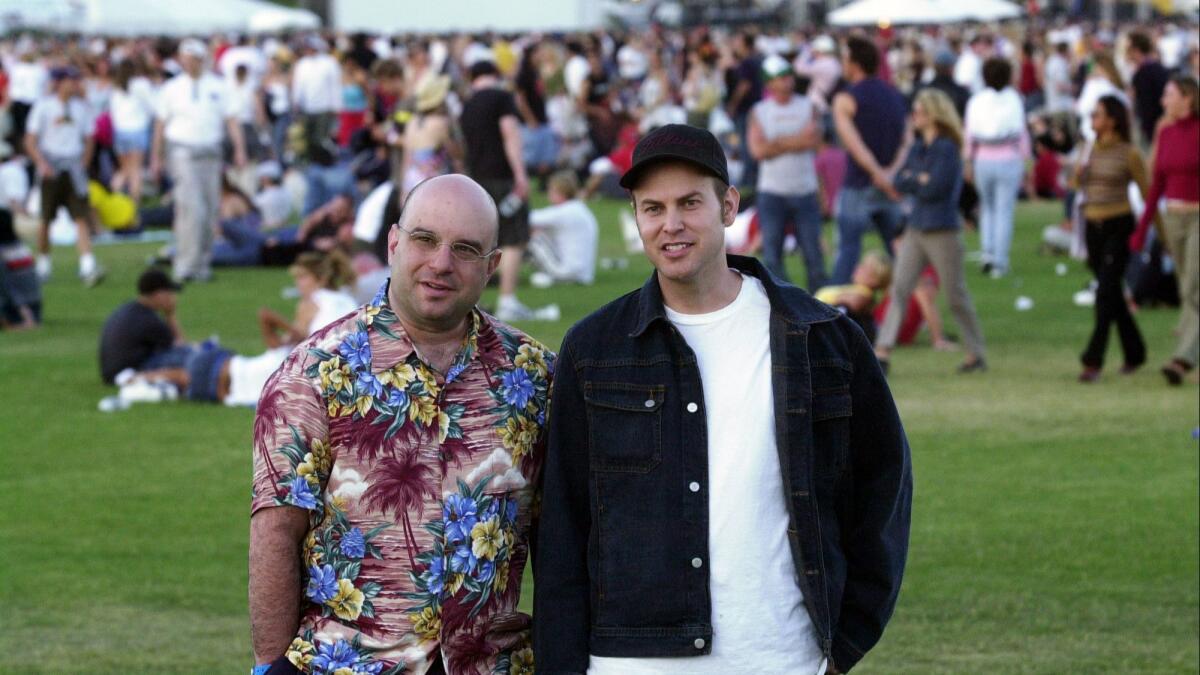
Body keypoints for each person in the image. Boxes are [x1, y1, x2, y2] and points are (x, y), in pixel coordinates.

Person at [534, 124, 912, 675]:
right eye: (653, 208)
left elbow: (884, 491)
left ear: (728, 205)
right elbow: (563, 528)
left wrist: (847, 640)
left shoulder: (822, 337)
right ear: (636, 217)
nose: (672, 224)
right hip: (627, 662)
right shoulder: (594, 349)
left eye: (690, 203)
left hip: (779, 658)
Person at [248, 174, 553, 675]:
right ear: (393, 243)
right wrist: (268, 666)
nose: (441, 263)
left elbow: (556, 536)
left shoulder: (535, 377)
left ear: (492, 266)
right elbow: (276, 531)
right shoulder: (313, 374)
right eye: (425, 239)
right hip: (344, 664)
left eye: (465, 248)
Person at [875, 89, 987, 375]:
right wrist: (918, 179)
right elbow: (901, 180)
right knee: (900, 287)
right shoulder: (918, 147)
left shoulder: (947, 148)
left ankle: (976, 352)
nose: (915, 116)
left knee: (954, 293)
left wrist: (918, 180)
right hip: (917, 227)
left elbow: (937, 188)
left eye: (920, 111)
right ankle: (883, 350)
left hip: (941, 230)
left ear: (933, 114)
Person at [150, 38, 247, 283]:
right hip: (183, 151)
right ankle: (185, 264)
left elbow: (232, 120)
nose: (190, 63)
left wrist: (239, 149)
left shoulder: (218, 86)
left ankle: (201, 263)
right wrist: (156, 156)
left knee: (210, 209)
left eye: (194, 59)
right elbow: (160, 125)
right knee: (191, 208)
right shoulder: (171, 88)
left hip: (211, 152)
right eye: (186, 58)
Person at [1074, 96, 1151, 383]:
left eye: (1098, 114)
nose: (1093, 119)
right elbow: (1074, 184)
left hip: (1119, 224)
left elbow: (1147, 192)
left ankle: (1093, 359)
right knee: (1112, 293)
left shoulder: (1128, 153)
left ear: (1112, 120)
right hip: (1092, 226)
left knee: (1105, 292)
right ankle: (1135, 352)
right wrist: (1077, 173)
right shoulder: (1088, 150)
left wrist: (1155, 233)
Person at [1130, 75, 1200, 386]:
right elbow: (1156, 183)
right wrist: (1143, 228)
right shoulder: (1166, 132)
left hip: (1198, 215)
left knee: (1192, 289)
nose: (1163, 101)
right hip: (1173, 218)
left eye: (1169, 95)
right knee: (1188, 287)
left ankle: (1183, 359)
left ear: (1187, 98)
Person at [459, 60, 536, 322]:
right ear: (495, 74)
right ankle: (507, 300)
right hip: (503, 176)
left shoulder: (467, 105)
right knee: (513, 237)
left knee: (483, 241)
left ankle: (476, 301)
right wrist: (521, 175)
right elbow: (510, 134)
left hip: (477, 179)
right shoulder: (502, 98)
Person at [831, 35, 909, 285]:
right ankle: (910, 308)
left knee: (848, 251)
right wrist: (890, 173)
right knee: (899, 251)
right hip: (890, 184)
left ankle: (836, 312)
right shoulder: (893, 95)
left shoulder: (846, 98)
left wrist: (877, 173)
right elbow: (907, 139)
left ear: (854, 63)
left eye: (845, 59)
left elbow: (853, 144)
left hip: (859, 184)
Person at [748, 54, 826, 290]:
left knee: (814, 256)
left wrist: (777, 142)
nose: (786, 82)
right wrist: (796, 140)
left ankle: (819, 303)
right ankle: (788, 301)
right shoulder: (759, 111)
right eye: (780, 78)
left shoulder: (807, 105)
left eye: (788, 76)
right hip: (772, 192)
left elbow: (813, 141)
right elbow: (758, 151)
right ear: (769, 83)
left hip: (804, 190)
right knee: (772, 257)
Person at [24, 65, 104, 286]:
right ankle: (43, 264)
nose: (75, 84)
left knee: (80, 216)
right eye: (70, 80)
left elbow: (89, 138)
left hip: (73, 166)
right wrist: (41, 162)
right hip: (51, 166)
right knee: (46, 219)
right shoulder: (44, 107)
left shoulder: (81, 108)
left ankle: (87, 264)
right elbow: (30, 139)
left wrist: (84, 163)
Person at [964, 56, 1030, 278]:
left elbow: (969, 134)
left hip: (983, 158)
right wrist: (1026, 158)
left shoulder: (977, 101)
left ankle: (988, 253)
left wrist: (968, 160)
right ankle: (999, 260)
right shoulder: (1014, 99)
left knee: (988, 209)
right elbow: (1021, 133)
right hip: (1008, 158)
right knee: (1003, 210)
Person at [98, 268, 189, 385]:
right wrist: (170, 315)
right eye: (169, 292)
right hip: (129, 372)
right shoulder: (149, 320)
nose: (172, 297)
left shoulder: (128, 310)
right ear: (158, 294)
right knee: (188, 358)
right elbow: (179, 346)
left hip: (109, 373)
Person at [526, 170, 598, 287]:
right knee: (540, 232)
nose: (548, 193)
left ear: (560, 192)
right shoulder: (579, 208)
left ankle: (505, 272)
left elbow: (527, 219)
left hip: (568, 272)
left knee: (530, 237)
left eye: (550, 190)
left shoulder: (564, 211)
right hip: (585, 274)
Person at [109, 58, 155, 205]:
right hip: (137, 130)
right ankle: (135, 205)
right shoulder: (142, 84)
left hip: (120, 131)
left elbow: (112, 112)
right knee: (135, 170)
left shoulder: (116, 88)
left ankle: (114, 200)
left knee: (124, 169)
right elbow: (152, 106)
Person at [1126, 31, 1171, 148]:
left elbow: (1146, 107)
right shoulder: (1159, 68)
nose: (1126, 54)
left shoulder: (1142, 74)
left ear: (1135, 50)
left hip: (1150, 131)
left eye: (1128, 50)